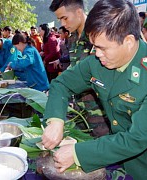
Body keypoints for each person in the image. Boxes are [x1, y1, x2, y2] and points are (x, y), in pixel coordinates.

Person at [42, 0, 147, 179]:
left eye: (102, 48)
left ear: (129, 41)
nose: (97, 53)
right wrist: (55, 121)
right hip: (118, 162)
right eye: (94, 46)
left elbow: (136, 139)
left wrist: (77, 153)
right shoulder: (98, 62)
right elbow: (62, 84)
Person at [49, 0, 109, 137]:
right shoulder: (73, 39)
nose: (63, 24)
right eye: (60, 20)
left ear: (78, 12)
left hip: (101, 115)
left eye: (65, 18)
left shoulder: (98, 35)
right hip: (80, 112)